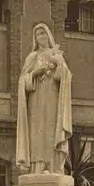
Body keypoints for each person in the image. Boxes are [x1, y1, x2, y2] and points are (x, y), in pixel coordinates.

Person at [16, 23, 72, 174]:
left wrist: (58, 63)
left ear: (48, 35)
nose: (41, 36)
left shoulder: (57, 55)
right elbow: (22, 81)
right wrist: (35, 73)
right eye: (38, 34)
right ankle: (38, 168)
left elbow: (65, 77)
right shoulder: (32, 57)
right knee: (37, 131)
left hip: (53, 97)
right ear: (35, 38)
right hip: (36, 100)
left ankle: (52, 165)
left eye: (43, 33)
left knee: (51, 128)